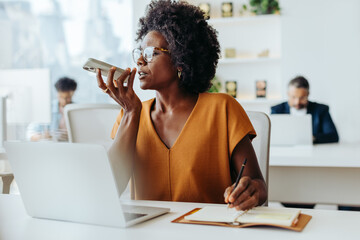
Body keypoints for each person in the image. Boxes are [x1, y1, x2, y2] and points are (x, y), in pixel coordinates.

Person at [96, 0, 267, 210]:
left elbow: (259, 186)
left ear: (180, 59)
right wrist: (131, 112)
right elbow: (111, 187)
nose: (140, 60)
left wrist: (250, 191)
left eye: (151, 53)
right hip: (148, 232)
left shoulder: (223, 109)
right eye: (139, 52)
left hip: (207, 229)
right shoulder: (131, 114)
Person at [271, 76, 339, 144]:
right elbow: (272, 136)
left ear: (308, 94)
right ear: (288, 94)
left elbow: (333, 136)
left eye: (302, 98)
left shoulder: (321, 110)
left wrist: (311, 138)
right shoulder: (277, 110)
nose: (297, 102)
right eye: (293, 97)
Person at [27, 77, 77, 142]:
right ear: (57, 93)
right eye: (61, 97)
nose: (64, 101)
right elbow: (30, 134)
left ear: (73, 94)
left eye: (68, 98)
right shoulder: (46, 108)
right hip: (51, 147)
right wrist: (43, 136)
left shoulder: (77, 110)